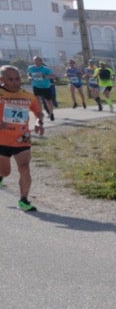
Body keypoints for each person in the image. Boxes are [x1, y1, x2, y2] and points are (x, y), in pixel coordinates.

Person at [0, 64, 42, 212]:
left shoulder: (27, 95)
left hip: (21, 139)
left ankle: (23, 200)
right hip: (1, 141)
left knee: (24, 168)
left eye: (17, 79)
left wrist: (39, 123)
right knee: (5, 172)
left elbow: (38, 112)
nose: (15, 82)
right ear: (2, 80)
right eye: (10, 79)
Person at [27, 57, 56, 122]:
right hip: (36, 86)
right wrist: (29, 77)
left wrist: (45, 76)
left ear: (41, 61)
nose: (36, 62)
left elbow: (53, 76)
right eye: (35, 61)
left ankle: (51, 113)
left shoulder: (46, 69)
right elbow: (29, 74)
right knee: (38, 101)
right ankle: (40, 115)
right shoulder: (30, 68)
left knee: (48, 101)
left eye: (38, 61)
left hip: (46, 87)